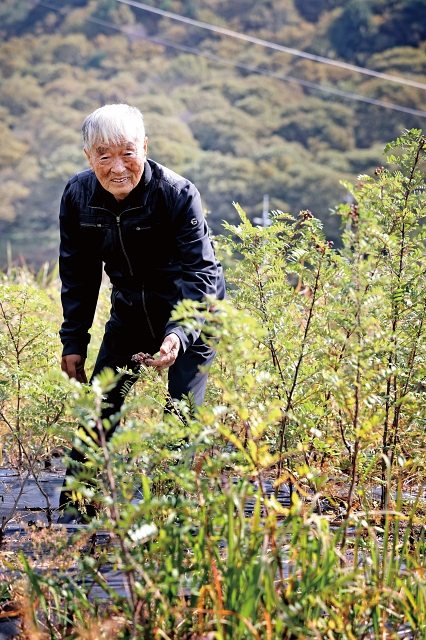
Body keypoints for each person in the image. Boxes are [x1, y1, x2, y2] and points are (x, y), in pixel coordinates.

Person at [58, 103, 225, 523]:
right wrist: (73, 341)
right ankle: (75, 512)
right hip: (130, 311)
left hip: (192, 311)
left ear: (145, 148)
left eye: (128, 153)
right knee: (101, 404)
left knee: (181, 415)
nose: (117, 168)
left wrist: (179, 335)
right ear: (88, 157)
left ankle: (173, 515)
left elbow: (199, 272)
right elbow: (77, 274)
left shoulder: (176, 193)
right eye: (104, 155)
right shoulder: (78, 197)